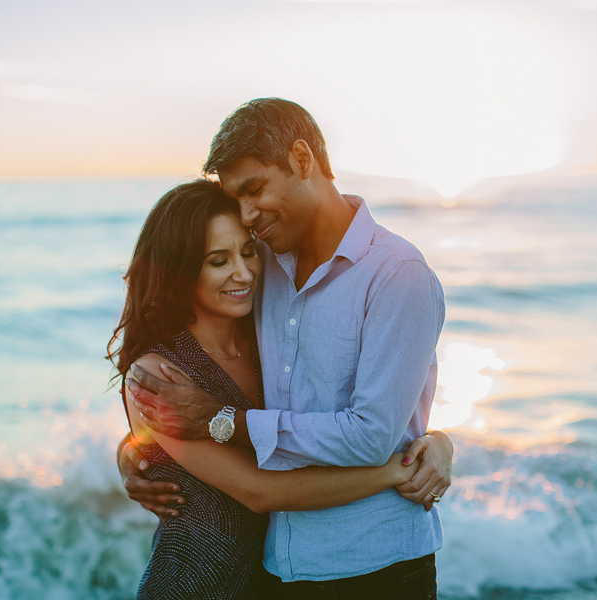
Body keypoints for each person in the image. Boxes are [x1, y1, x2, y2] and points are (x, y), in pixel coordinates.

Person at [123, 98, 448, 598]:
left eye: (255, 190)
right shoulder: (263, 265)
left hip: (376, 567)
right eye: (239, 200)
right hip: (279, 571)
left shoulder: (397, 274)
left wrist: (221, 421)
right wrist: (136, 450)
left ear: (302, 160)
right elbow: (210, 362)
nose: (248, 216)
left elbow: (373, 435)